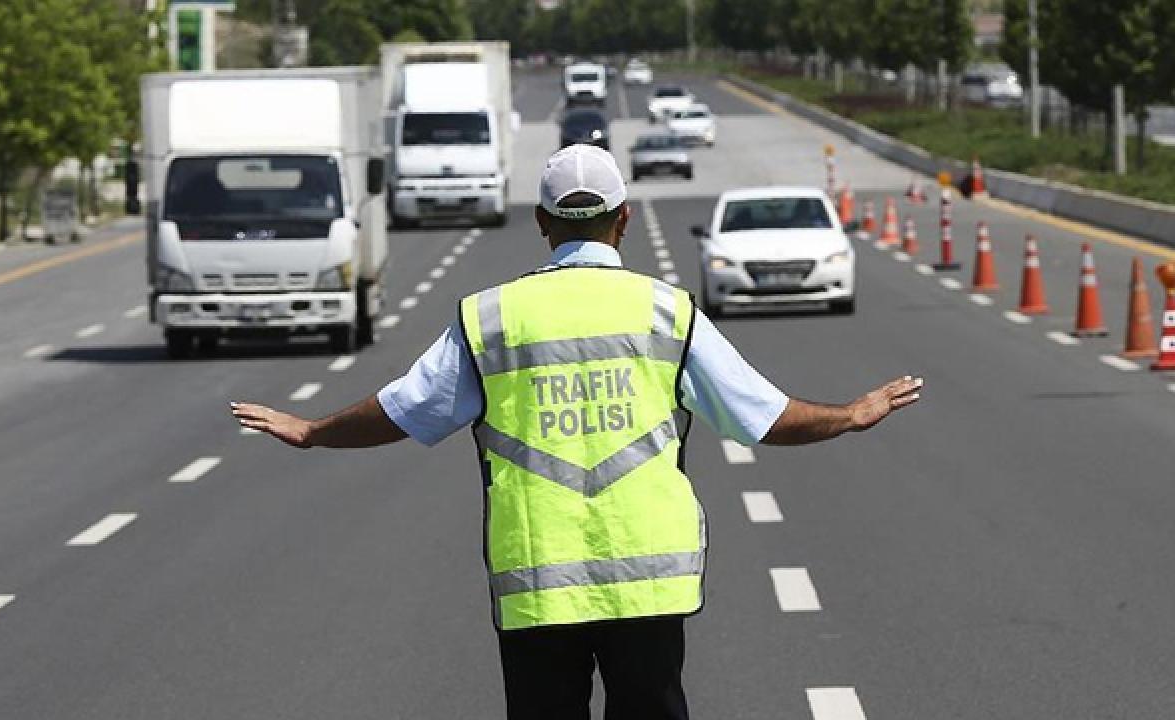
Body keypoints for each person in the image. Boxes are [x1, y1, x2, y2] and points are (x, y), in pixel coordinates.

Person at [230, 144, 924, 719]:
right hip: (649, 582)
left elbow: (405, 409)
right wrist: (850, 415)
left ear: (541, 222)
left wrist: (314, 430)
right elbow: (762, 416)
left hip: (538, 582)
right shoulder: (665, 312)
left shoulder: (491, 318)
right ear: (624, 219)